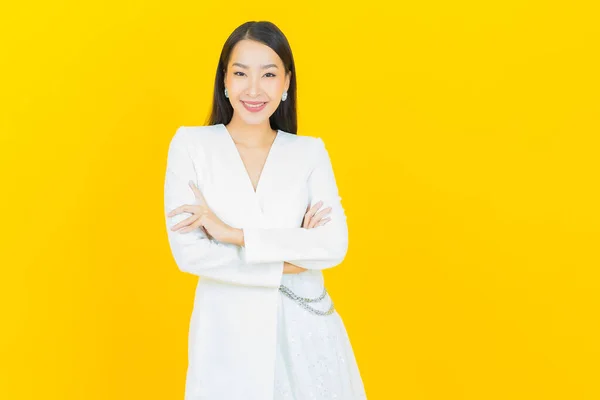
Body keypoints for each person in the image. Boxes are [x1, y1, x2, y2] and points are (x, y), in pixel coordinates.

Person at [164, 21, 367, 400]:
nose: (253, 89)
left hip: (306, 335)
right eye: (240, 73)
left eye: (269, 74)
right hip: (226, 337)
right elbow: (189, 254)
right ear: (224, 80)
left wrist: (231, 235)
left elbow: (332, 246)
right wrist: (293, 256)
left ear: (287, 82)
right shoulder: (192, 146)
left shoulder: (308, 152)